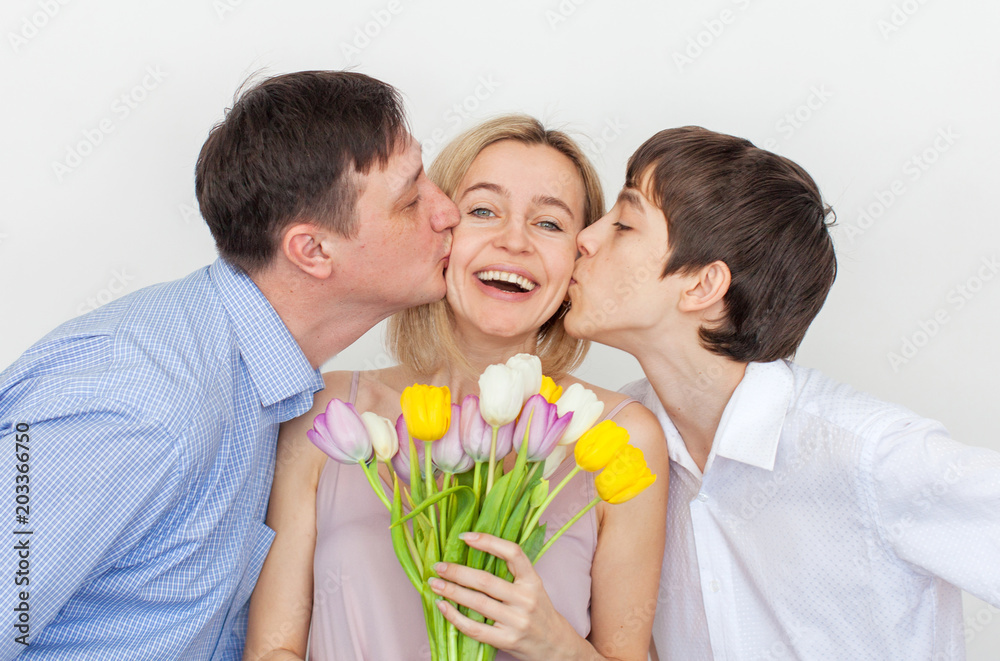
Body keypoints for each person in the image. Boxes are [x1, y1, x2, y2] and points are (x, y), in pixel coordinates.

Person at [0, 70, 459, 660]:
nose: (447, 213)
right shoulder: (140, 398)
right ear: (313, 251)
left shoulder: (267, 385)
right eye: (411, 198)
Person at [565, 125, 1000, 660]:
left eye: (625, 224)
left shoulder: (873, 456)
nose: (585, 236)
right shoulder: (618, 441)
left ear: (702, 285)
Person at [245, 115, 670, 661]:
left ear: (577, 260)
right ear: (439, 227)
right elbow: (273, 649)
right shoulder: (330, 412)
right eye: (483, 211)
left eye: (548, 224)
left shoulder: (620, 435)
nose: (513, 241)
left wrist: (553, 642)